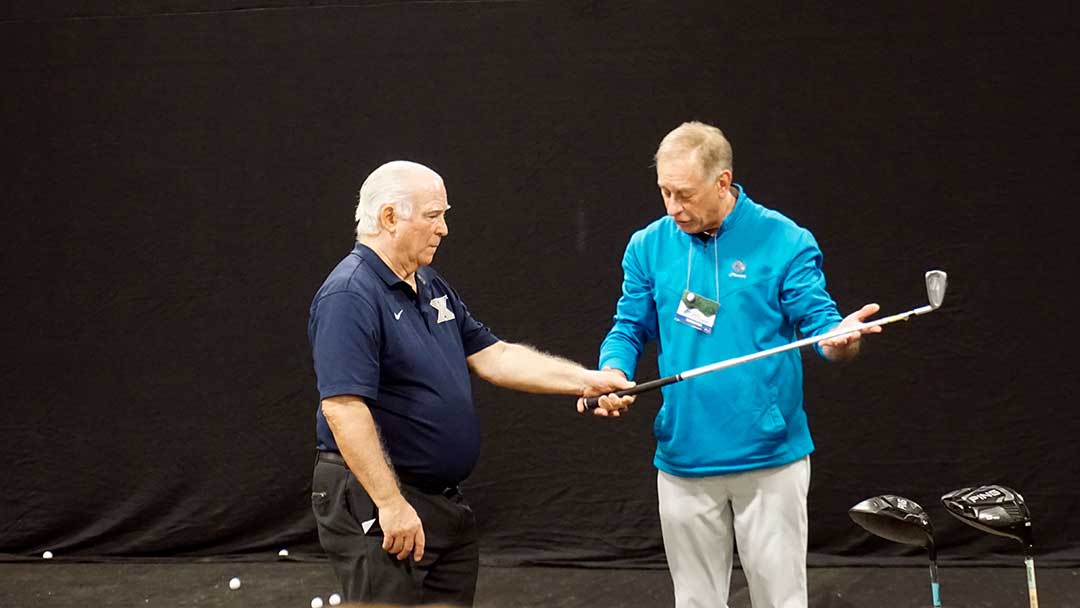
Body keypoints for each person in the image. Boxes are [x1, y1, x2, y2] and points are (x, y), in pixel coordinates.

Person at [308, 160, 633, 607]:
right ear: (388, 218)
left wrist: (586, 381)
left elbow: (495, 356)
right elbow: (343, 407)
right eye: (432, 215)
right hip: (379, 499)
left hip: (440, 502)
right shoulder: (350, 294)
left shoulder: (429, 284)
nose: (443, 229)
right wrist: (391, 503)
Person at [586, 122, 881, 608]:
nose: (673, 208)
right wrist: (612, 372)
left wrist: (841, 340)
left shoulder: (785, 240)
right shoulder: (648, 246)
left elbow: (824, 331)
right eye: (664, 192)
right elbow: (628, 327)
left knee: (780, 600)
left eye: (685, 194)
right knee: (695, 601)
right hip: (683, 454)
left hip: (769, 458)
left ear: (723, 182)